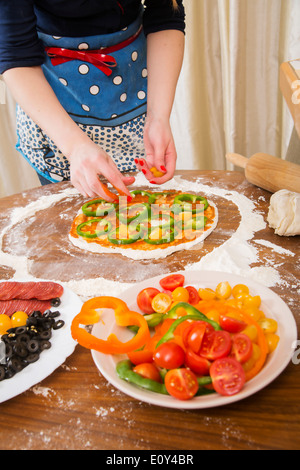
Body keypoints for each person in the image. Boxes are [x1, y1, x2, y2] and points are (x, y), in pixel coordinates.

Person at [0, 0, 185, 201]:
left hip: (131, 87)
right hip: (54, 110)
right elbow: (15, 53)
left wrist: (158, 117)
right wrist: (75, 147)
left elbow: (165, 14)